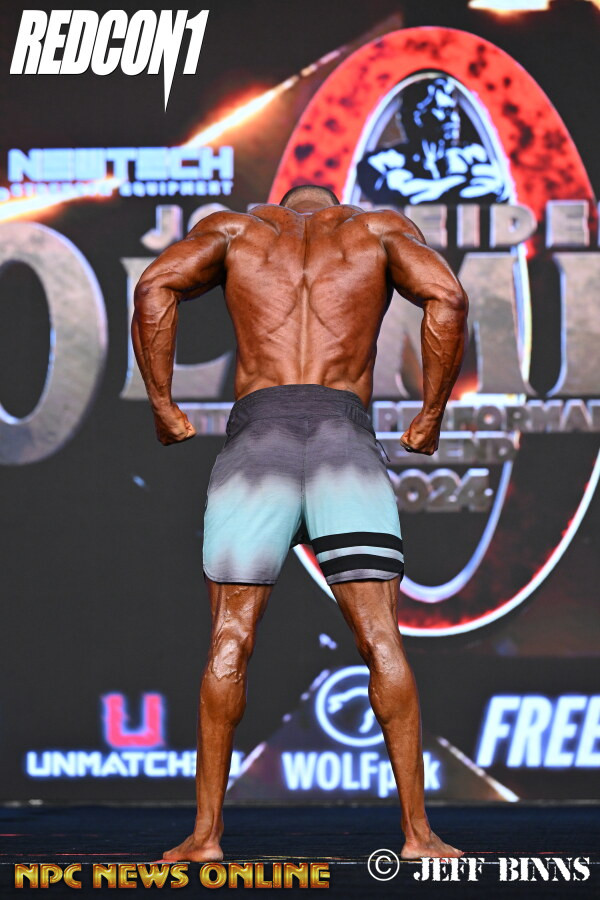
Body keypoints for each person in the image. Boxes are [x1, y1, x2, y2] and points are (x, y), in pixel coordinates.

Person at [131, 184, 468, 862]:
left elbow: (153, 286)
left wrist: (163, 404)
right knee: (381, 639)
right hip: (346, 446)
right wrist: (430, 415)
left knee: (231, 639)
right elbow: (448, 298)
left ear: (276, 205)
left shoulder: (236, 231)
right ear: (337, 204)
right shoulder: (376, 230)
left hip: (259, 446)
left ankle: (205, 838)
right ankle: (417, 835)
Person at [357, 76, 508, 205]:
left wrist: (433, 188)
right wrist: (463, 182)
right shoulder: (381, 162)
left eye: (453, 110)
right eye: (444, 110)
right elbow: (401, 194)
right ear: (418, 116)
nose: (453, 118)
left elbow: (497, 188)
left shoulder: (472, 156)